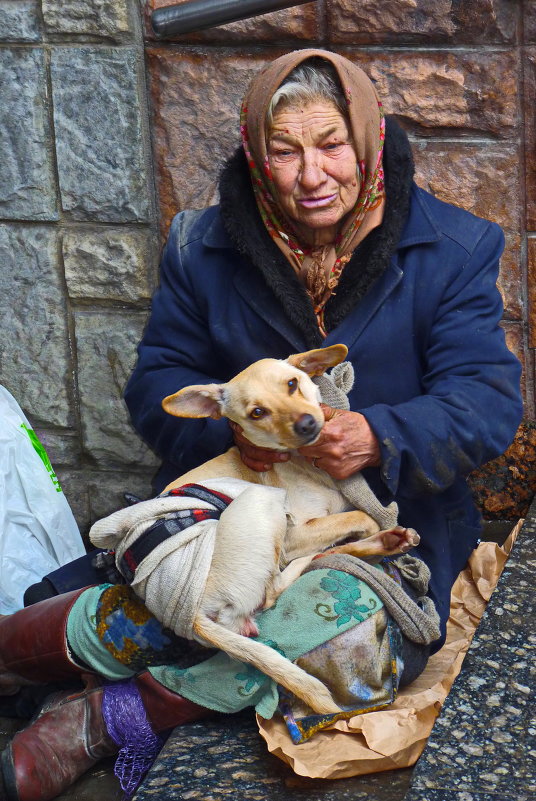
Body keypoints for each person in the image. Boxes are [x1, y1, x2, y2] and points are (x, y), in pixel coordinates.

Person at [0, 49, 522, 801]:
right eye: (285, 152)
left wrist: (381, 433)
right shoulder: (203, 247)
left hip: (377, 528)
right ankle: (19, 655)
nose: (312, 175)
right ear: (256, 154)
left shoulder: (452, 250)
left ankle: (101, 720)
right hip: (231, 505)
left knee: (335, 632)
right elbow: (158, 386)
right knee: (172, 593)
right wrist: (239, 433)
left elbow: (486, 400)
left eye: (331, 145)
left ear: (367, 140)